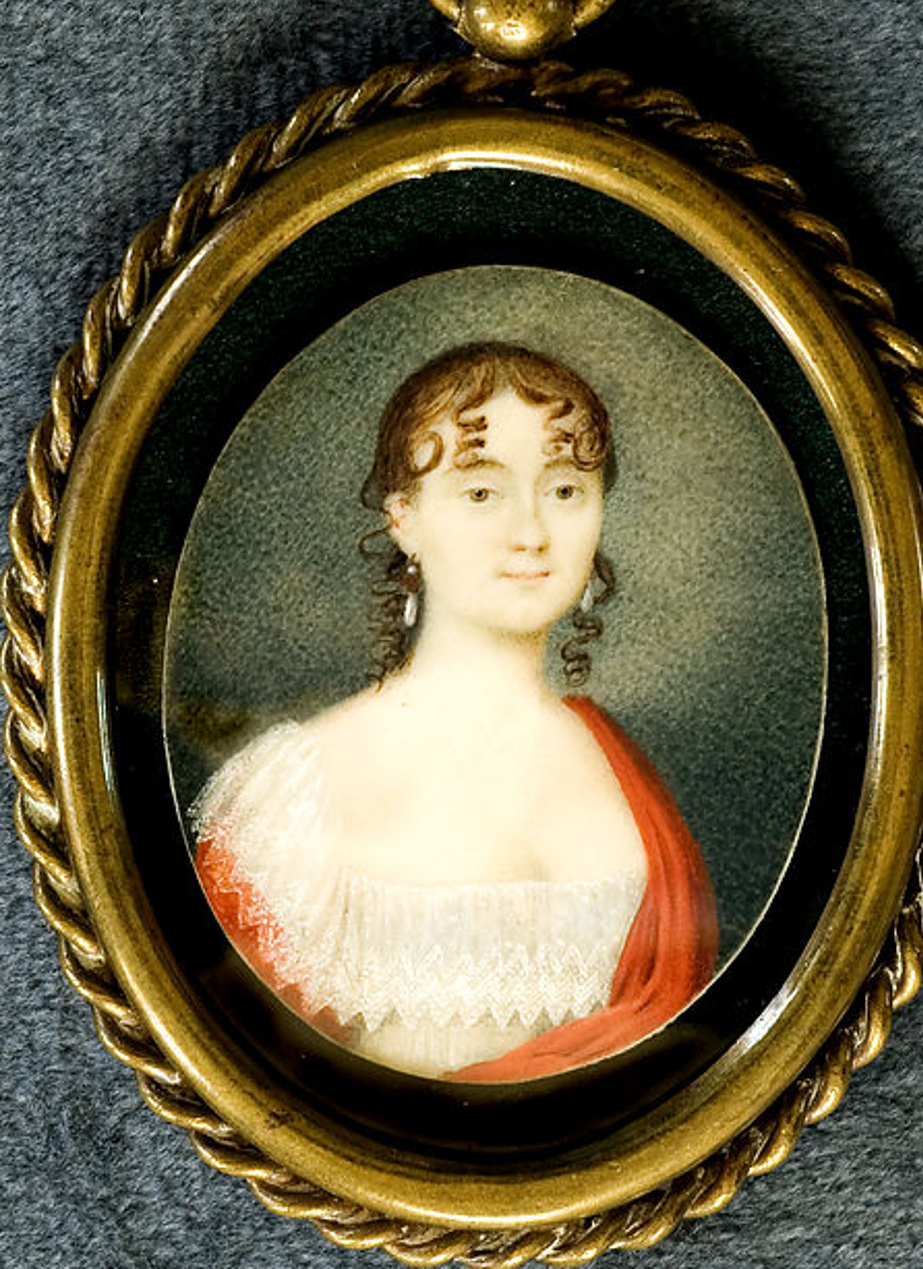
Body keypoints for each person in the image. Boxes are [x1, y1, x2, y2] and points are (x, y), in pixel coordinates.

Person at [192, 342, 717, 1080]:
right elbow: (253, 1069)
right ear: (403, 516)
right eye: (481, 493)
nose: (531, 532)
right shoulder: (296, 791)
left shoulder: (614, 758)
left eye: (566, 489)